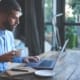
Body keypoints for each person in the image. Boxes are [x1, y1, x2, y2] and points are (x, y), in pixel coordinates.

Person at [0, 0, 39, 72]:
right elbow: (3, 58)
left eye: (18, 18)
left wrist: (23, 59)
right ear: (2, 15)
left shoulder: (9, 34)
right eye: (14, 18)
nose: (18, 22)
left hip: (5, 75)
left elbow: (9, 57)